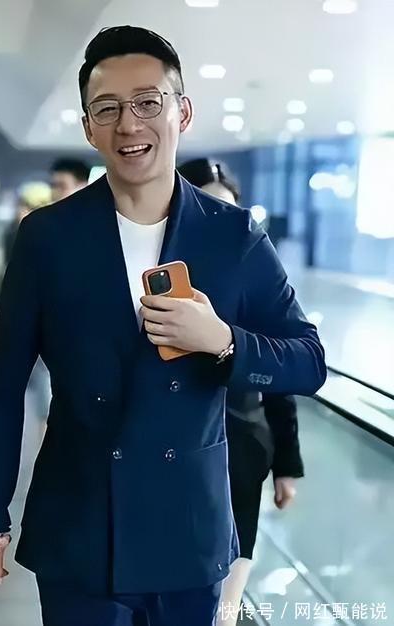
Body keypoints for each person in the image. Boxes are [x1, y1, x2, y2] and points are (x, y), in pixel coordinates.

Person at [0, 26, 325, 626]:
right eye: (108, 108)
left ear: (182, 112)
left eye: (148, 103)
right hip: (79, 525)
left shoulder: (232, 235)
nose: (129, 124)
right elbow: (2, 383)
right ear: (88, 127)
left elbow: (308, 361)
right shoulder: (49, 236)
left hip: (188, 527)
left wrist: (222, 341)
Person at [179, 157, 305, 625]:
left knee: (226, 600)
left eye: (230, 209)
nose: (223, 221)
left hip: (242, 448)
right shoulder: (159, 277)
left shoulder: (252, 276)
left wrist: (287, 465)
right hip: (176, 448)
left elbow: (280, 374)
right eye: (209, 206)